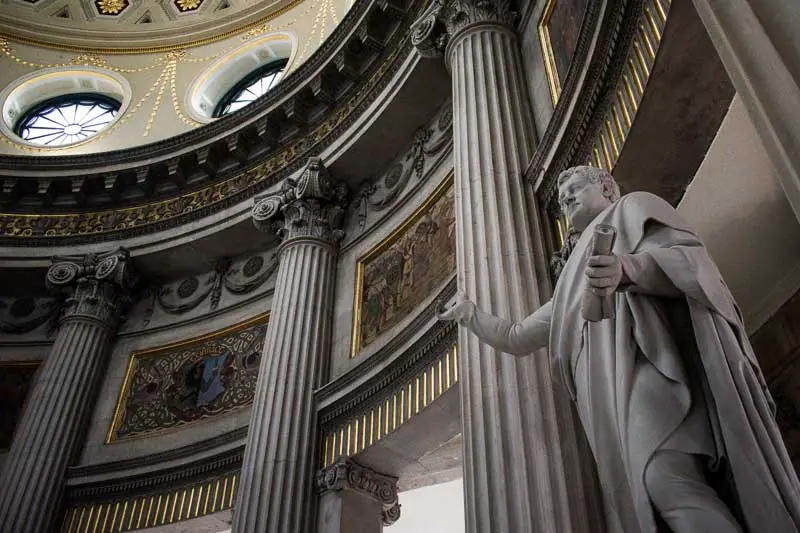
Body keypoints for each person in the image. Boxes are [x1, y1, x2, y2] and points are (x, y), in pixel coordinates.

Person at [438, 166, 800, 533]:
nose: (567, 199)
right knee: (655, 495)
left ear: (607, 188)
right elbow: (517, 337)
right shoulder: (568, 285)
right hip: (608, 396)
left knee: (665, 478)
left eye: (576, 189)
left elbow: (693, 264)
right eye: (562, 199)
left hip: (648, 362)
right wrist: (470, 315)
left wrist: (628, 268)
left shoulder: (632, 209)